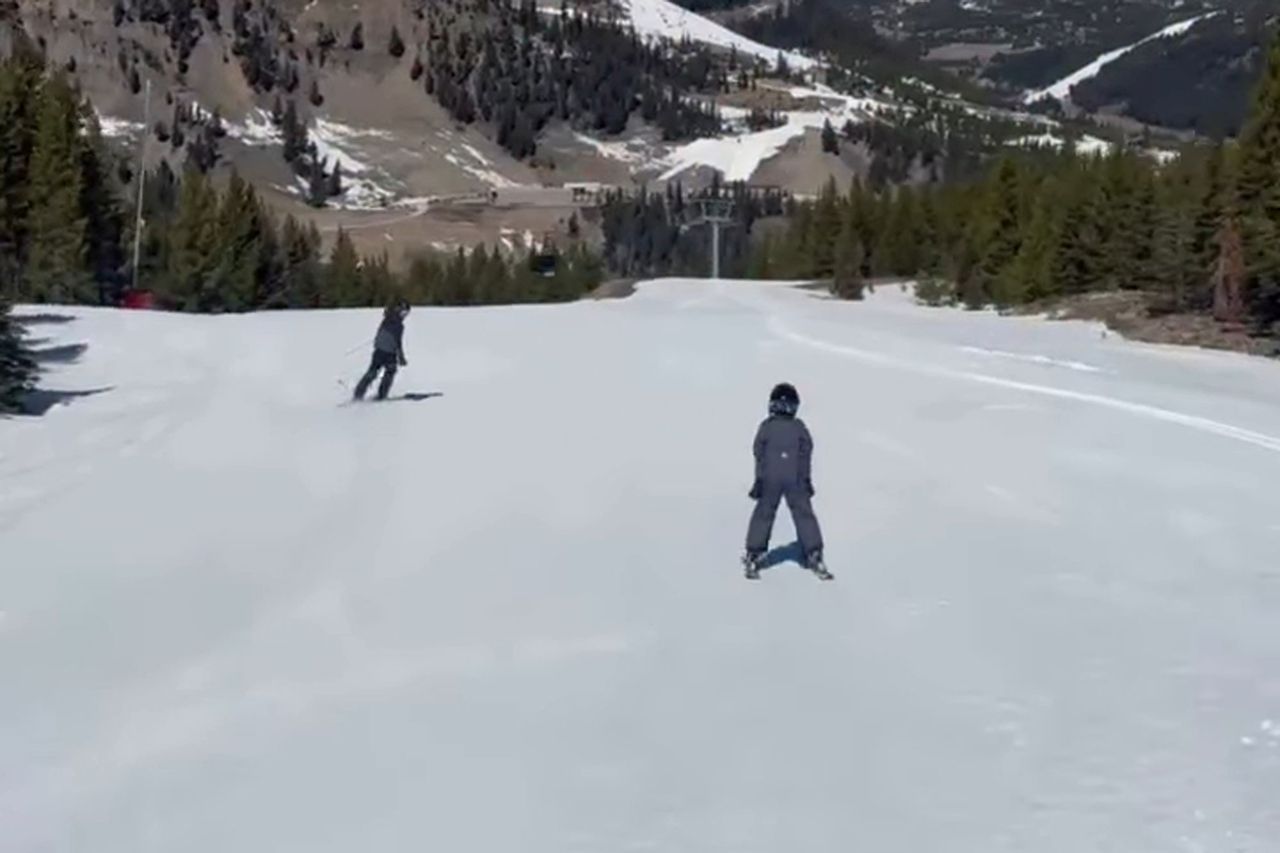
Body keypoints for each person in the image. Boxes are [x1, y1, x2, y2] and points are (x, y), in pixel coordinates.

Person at [743, 383, 831, 580]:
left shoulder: (767, 426)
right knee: (803, 513)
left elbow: (758, 451)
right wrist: (806, 478)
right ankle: (813, 552)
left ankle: (754, 552)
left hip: (770, 479)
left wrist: (759, 478)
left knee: (764, 513)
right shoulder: (799, 427)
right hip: (795, 479)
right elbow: (806, 451)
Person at [353, 299, 410, 401]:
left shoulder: (387, 318)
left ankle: (358, 393)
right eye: (405, 313)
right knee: (390, 371)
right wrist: (401, 357)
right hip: (389, 352)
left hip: (378, 349)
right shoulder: (399, 325)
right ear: (400, 311)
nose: (405, 316)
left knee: (373, 371)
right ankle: (382, 395)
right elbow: (398, 342)